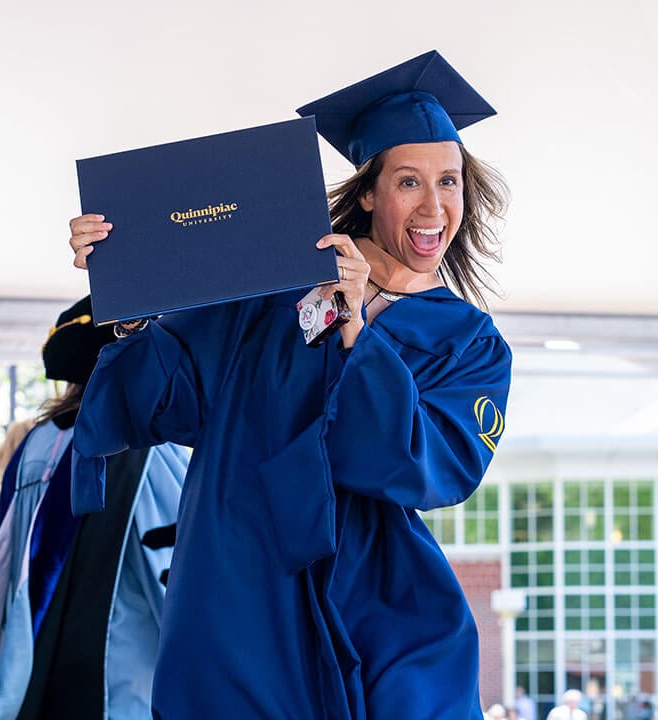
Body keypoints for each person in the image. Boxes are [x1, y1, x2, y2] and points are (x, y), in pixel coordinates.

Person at [67, 49, 511, 718]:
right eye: (410, 182)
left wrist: (359, 326)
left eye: (449, 182)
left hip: (375, 597)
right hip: (243, 580)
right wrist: (128, 287)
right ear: (367, 191)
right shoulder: (271, 295)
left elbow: (429, 467)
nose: (434, 206)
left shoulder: (470, 343)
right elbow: (169, 393)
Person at [0, 295, 187, 720]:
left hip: (34, 649)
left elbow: (6, 554)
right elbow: (176, 556)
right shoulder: (149, 443)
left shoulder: (37, 443)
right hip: (124, 659)